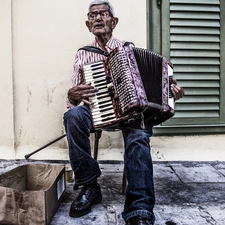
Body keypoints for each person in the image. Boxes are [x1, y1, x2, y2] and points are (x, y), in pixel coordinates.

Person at [63, 1, 184, 224]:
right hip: (97, 111)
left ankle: (139, 209)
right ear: (88, 24)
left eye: (103, 14)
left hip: (131, 111)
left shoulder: (127, 49)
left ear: (114, 21)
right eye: (93, 15)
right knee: (72, 117)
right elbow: (74, 100)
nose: (98, 18)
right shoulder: (82, 55)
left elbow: (149, 86)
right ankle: (90, 185)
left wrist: (169, 92)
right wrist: (72, 95)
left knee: (138, 136)